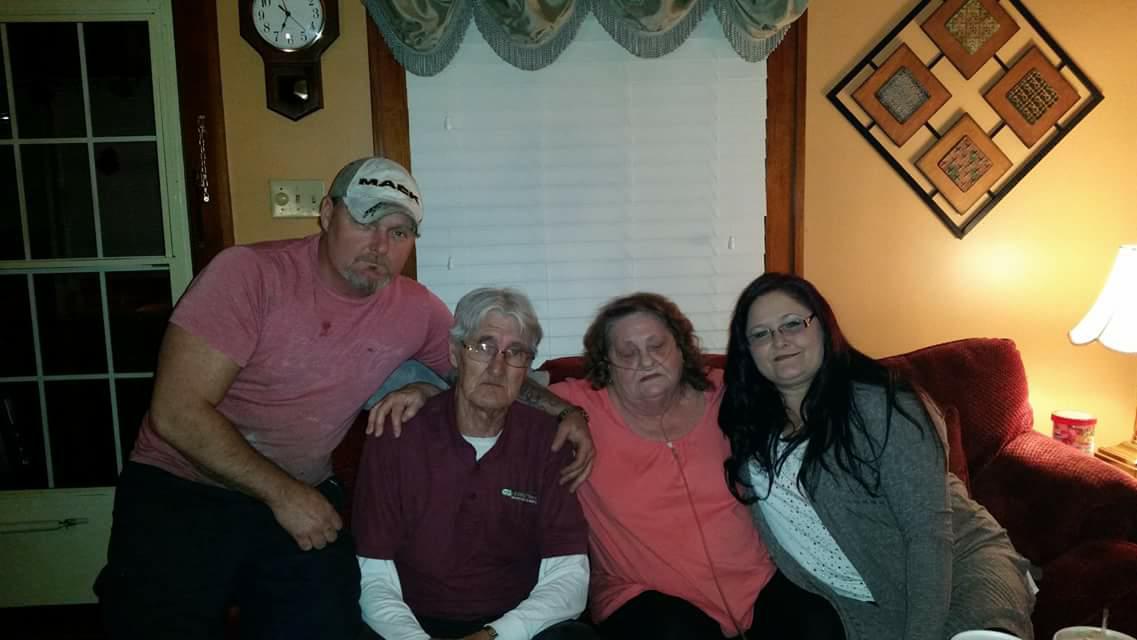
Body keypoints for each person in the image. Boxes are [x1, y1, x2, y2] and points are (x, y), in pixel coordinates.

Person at [95, 157, 593, 640]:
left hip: (302, 496)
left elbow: (483, 370)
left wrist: (566, 411)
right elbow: (176, 413)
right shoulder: (248, 274)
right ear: (328, 213)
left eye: (399, 233)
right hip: (184, 487)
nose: (379, 246)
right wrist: (283, 495)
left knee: (330, 623)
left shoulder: (415, 308)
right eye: (365, 222)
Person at [719, 273, 1037, 640]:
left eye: (793, 324)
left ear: (823, 326)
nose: (779, 340)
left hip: (956, 566)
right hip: (863, 599)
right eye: (761, 334)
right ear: (747, 351)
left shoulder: (881, 406)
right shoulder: (748, 426)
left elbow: (928, 535)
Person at [549, 293, 844, 640]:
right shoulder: (584, 404)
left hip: (756, 581)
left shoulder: (725, 392)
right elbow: (509, 382)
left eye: (658, 346)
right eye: (627, 354)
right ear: (606, 365)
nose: (646, 361)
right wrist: (566, 412)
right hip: (643, 596)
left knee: (817, 621)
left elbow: (809, 380)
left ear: (681, 347)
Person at [354, 288, 597, 640]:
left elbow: (569, 575)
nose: (497, 367)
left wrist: (495, 635)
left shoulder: (549, 441)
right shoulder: (395, 433)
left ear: (526, 368)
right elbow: (373, 573)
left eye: (515, 352)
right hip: (412, 622)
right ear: (455, 354)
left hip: (513, 624)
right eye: (483, 347)